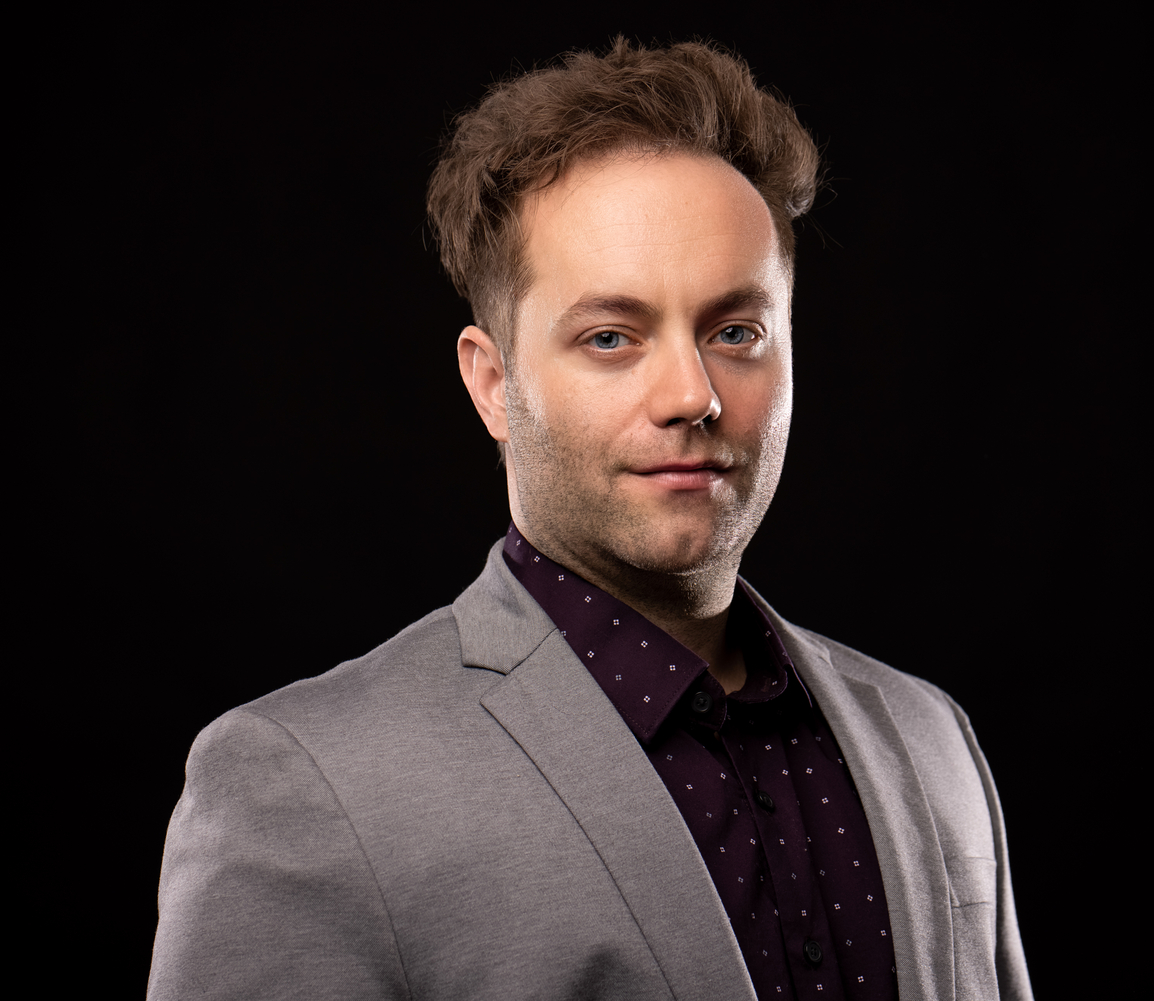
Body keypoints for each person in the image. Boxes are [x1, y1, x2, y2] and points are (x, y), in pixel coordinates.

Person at [148, 38, 1033, 1001]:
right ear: (493, 383)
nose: (691, 394)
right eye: (611, 337)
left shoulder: (930, 737)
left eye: (736, 331)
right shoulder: (303, 788)